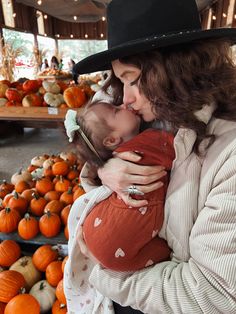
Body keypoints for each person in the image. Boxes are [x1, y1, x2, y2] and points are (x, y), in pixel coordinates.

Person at [69, 0, 236, 313]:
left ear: (175, 67)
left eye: (133, 79)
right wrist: (106, 168)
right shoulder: (141, 105)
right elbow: (93, 136)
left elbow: (215, 294)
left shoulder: (229, 151)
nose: (127, 97)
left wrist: (105, 274)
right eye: (121, 81)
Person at [63, 101, 174, 312]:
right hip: (116, 246)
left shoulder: (122, 148)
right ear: (112, 139)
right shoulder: (149, 142)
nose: (124, 102)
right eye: (116, 110)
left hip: (98, 236)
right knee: (168, 255)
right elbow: (185, 149)